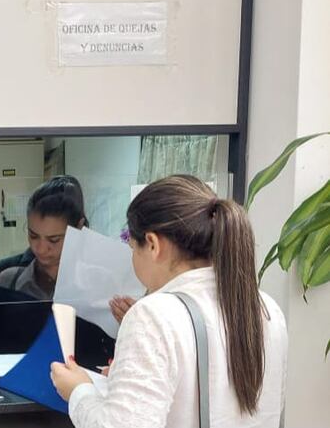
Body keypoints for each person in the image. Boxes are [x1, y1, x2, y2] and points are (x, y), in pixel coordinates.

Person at [51, 175, 288, 428]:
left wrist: (79, 391)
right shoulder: (266, 308)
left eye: (132, 247)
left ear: (152, 244)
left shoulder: (153, 315)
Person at [0, 176, 115, 369]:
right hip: (16, 391)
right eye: (33, 235)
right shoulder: (8, 276)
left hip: (79, 394)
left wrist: (127, 320)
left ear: (79, 227)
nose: (41, 248)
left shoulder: (101, 282)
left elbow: (114, 352)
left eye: (54, 240)